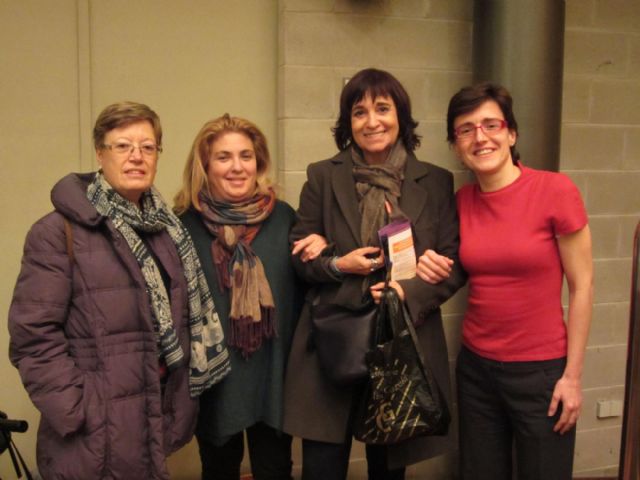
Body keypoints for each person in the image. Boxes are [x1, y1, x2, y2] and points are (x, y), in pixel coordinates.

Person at [8, 102, 230, 479]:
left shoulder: (168, 231)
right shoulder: (55, 232)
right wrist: (77, 409)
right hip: (91, 440)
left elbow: (180, 326)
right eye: (123, 146)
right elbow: (32, 336)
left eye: (147, 147)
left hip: (152, 426)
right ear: (100, 153)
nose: (136, 157)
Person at [283, 68, 466, 480]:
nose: (372, 121)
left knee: (388, 470)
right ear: (348, 122)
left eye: (382, 109)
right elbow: (299, 256)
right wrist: (337, 264)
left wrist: (408, 291)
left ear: (400, 115)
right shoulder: (322, 176)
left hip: (401, 342)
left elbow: (453, 263)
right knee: (322, 467)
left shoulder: (435, 182)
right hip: (332, 340)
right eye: (359, 112)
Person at [419, 82, 593, 479]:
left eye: (491, 125)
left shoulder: (555, 190)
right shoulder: (461, 202)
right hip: (476, 371)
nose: (480, 137)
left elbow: (583, 287)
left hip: (541, 374)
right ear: (456, 146)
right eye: (466, 129)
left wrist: (573, 377)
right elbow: (445, 260)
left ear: (511, 134)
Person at [174, 114, 324, 480]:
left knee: (275, 469)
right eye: (223, 157)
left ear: (259, 162)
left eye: (246, 156)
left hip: (274, 375)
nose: (237, 167)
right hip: (215, 381)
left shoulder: (285, 218)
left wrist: (323, 248)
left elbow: (308, 287)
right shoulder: (183, 226)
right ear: (205, 165)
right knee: (218, 470)